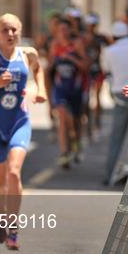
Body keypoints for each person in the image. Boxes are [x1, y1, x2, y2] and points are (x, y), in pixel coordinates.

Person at [0, 13, 47, 250]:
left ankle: (13, 227)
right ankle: (3, 215)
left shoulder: (28, 54)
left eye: (15, 30)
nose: (11, 34)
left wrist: (40, 89)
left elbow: (38, 70)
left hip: (19, 121)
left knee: (14, 173)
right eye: (6, 30)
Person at [101, 21, 128, 184]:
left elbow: (107, 71)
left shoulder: (109, 50)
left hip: (120, 94)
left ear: (113, 36)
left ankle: (111, 175)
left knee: (117, 136)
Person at [48, 18, 88, 168]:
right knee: (63, 116)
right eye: (60, 30)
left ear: (70, 30)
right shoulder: (54, 45)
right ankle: (64, 153)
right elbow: (50, 69)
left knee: (76, 121)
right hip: (60, 89)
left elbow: (85, 65)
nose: (63, 33)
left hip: (76, 88)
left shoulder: (76, 44)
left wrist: (71, 58)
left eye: (66, 29)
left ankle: (76, 141)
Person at [83, 12, 109, 138]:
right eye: (90, 24)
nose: (91, 27)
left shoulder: (100, 38)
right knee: (87, 98)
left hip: (98, 69)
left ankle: (97, 122)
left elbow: (111, 46)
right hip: (86, 70)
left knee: (97, 97)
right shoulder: (82, 37)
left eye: (93, 25)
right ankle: (88, 126)